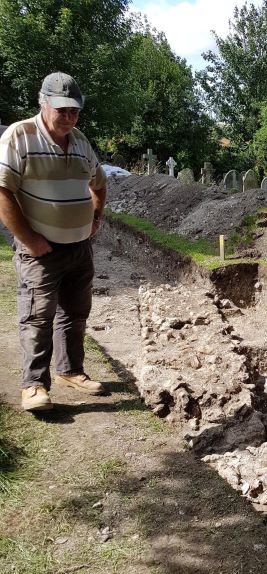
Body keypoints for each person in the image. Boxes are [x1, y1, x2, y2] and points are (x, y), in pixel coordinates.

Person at [0, 72, 107, 411]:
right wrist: (29, 239)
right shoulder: (21, 135)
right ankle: (33, 386)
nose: (69, 117)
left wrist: (95, 219)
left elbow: (99, 182)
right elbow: (2, 189)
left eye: (74, 110)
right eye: (62, 110)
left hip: (79, 248)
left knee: (75, 314)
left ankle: (71, 370)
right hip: (41, 251)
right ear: (43, 103)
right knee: (37, 316)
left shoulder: (79, 141)